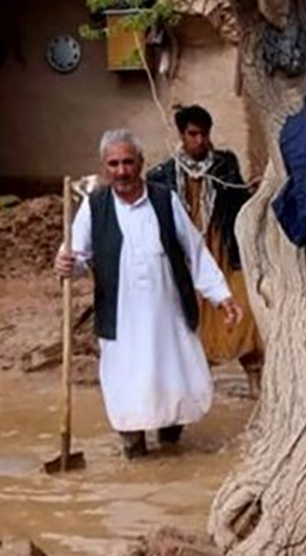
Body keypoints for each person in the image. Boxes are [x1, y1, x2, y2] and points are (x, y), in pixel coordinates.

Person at [55, 129, 242, 459]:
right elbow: (77, 258)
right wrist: (66, 264)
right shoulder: (93, 207)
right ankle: (134, 450)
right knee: (127, 390)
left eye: (128, 162)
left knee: (173, 388)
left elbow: (195, 252)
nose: (122, 171)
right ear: (104, 168)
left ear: (140, 163)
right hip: (121, 320)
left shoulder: (164, 199)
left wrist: (221, 296)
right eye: (114, 164)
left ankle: (171, 445)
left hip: (167, 317)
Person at [147, 105, 264, 397]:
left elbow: (239, 204)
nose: (199, 140)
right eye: (193, 134)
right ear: (182, 135)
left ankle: (254, 381)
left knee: (242, 309)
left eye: (204, 133)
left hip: (223, 251)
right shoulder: (162, 175)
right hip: (185, 259)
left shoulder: (224, 166)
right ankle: (196, 388)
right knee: (190, 321)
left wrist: (255, 193)